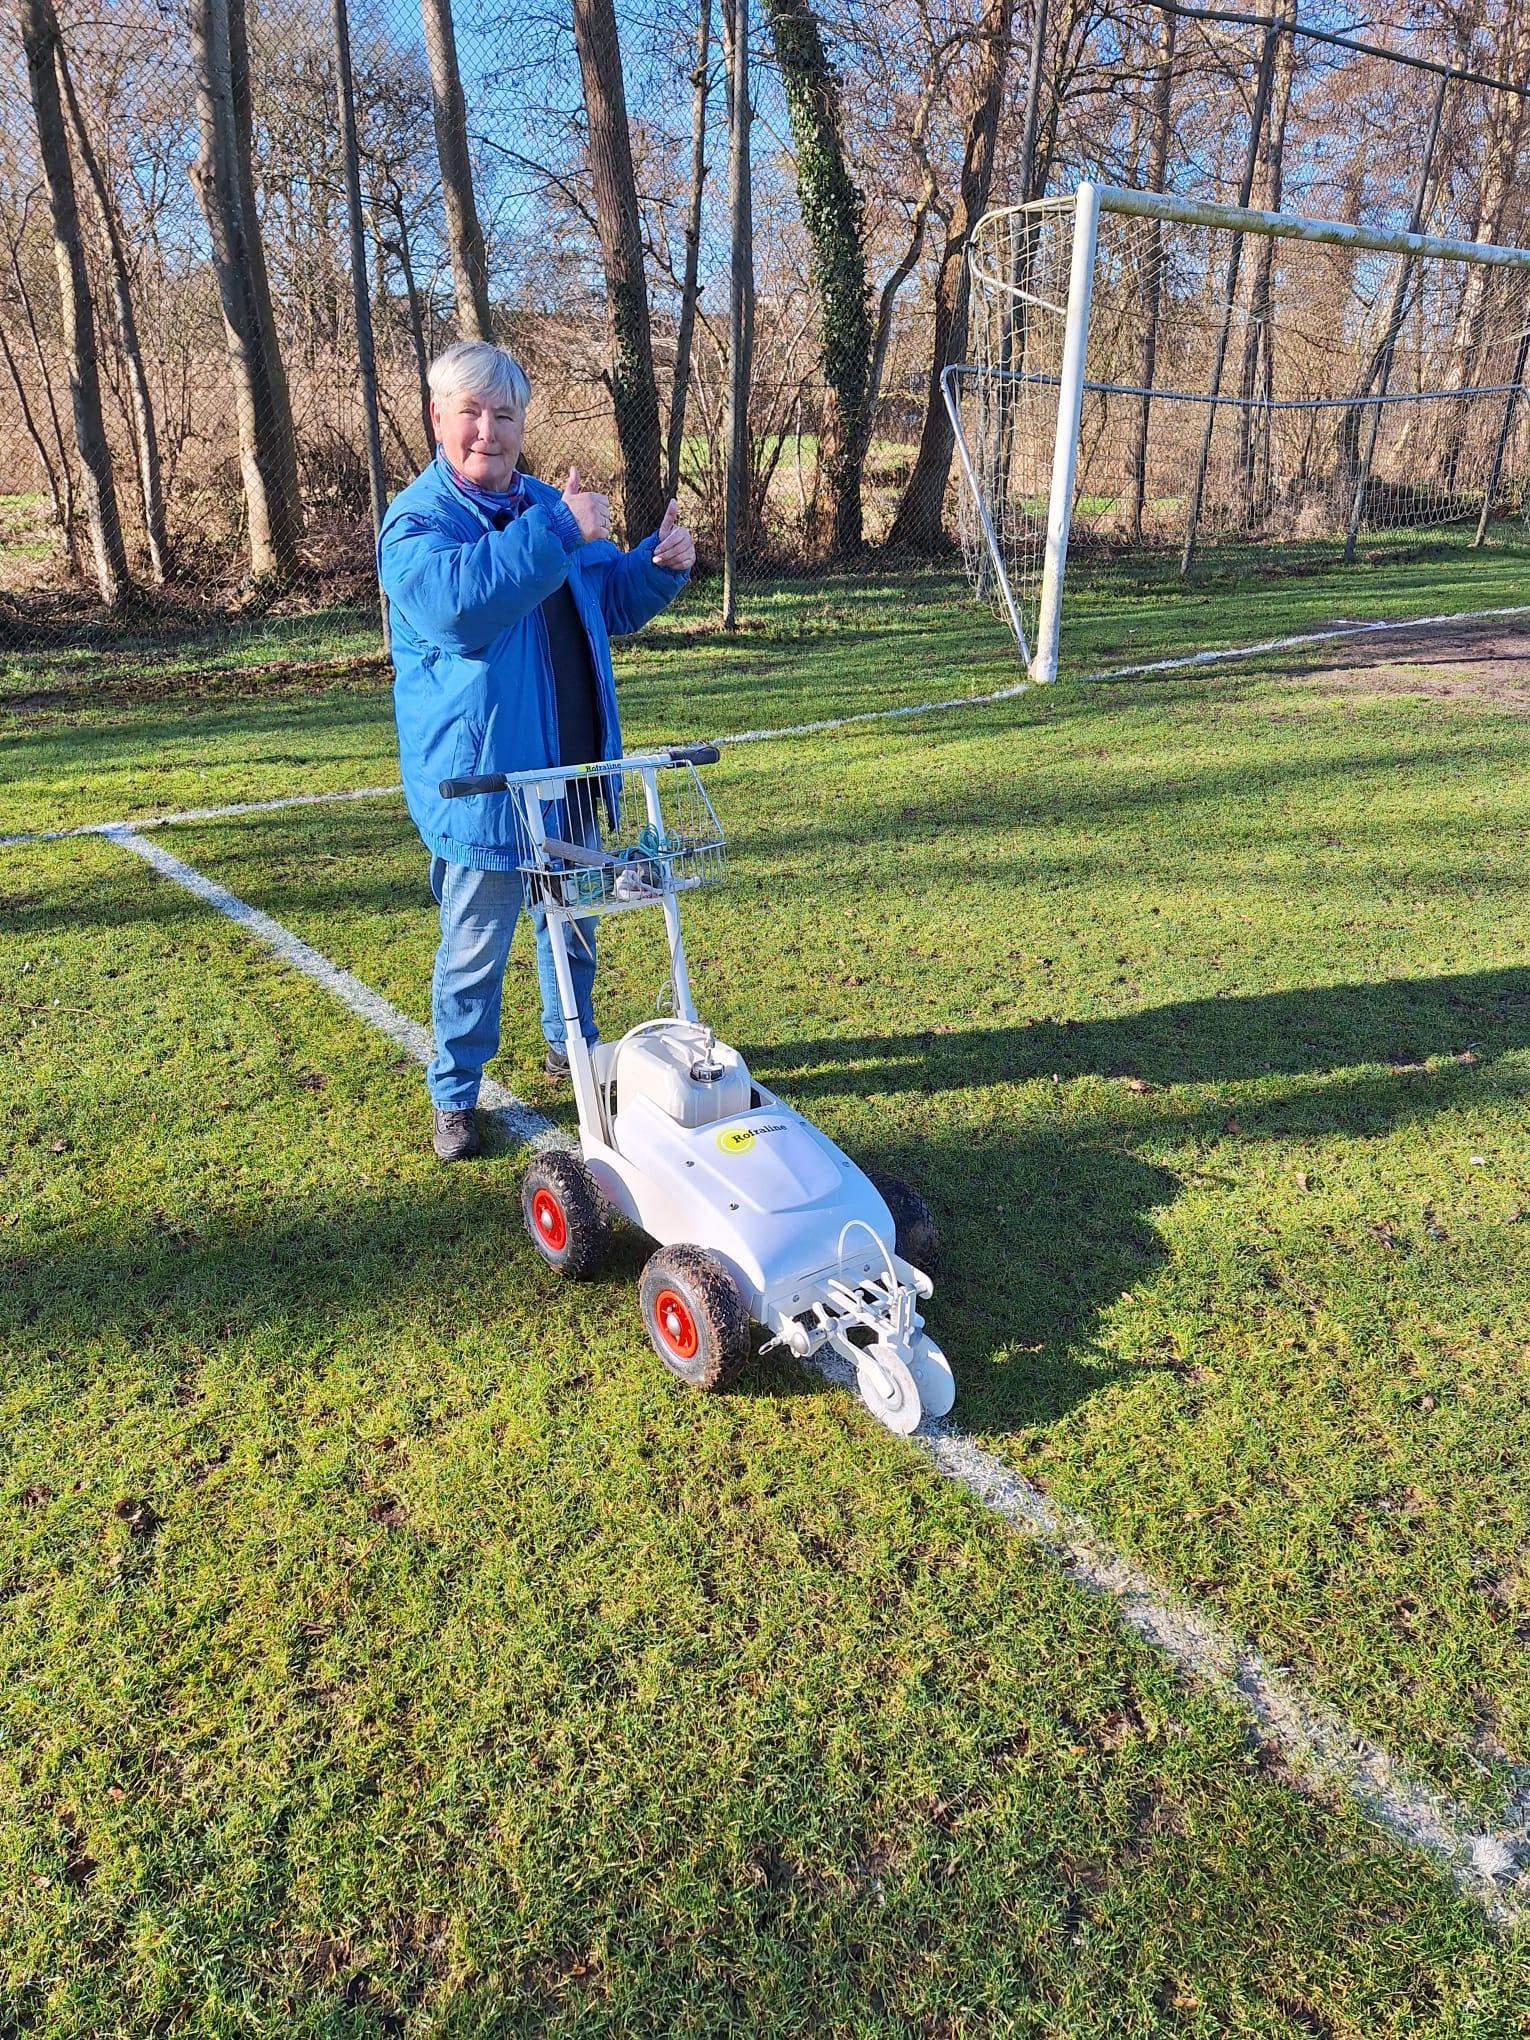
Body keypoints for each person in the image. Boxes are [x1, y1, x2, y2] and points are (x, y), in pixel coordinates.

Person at [378, 339, 695, 1161]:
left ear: (522, 425)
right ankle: (454, 1093)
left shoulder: (541, 507)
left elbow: (605, 601)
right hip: (484, 784)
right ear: (437, 418)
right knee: (476, 950)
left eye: (505, 415)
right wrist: (557, 526)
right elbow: (464, 608)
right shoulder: (419, 524)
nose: (489, 431)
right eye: (472, 413)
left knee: (576, 927)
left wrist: (655, 568)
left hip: (573, 767)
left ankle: (571, 1046)